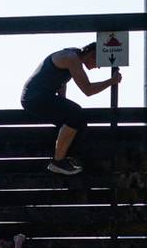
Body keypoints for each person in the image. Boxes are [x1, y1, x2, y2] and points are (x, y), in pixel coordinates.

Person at [22, 42, 122, 175]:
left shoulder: (72, 55)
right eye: (98, 63)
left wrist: (63, 101)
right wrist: (111, 81)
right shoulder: (72, 58)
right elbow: (88, 90)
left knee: (77, 119)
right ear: (92, 55)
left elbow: (61, 82)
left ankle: (67, 158)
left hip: (37, 97)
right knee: (76, 114)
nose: (98, 67)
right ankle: (58, 161)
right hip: (35, 98)